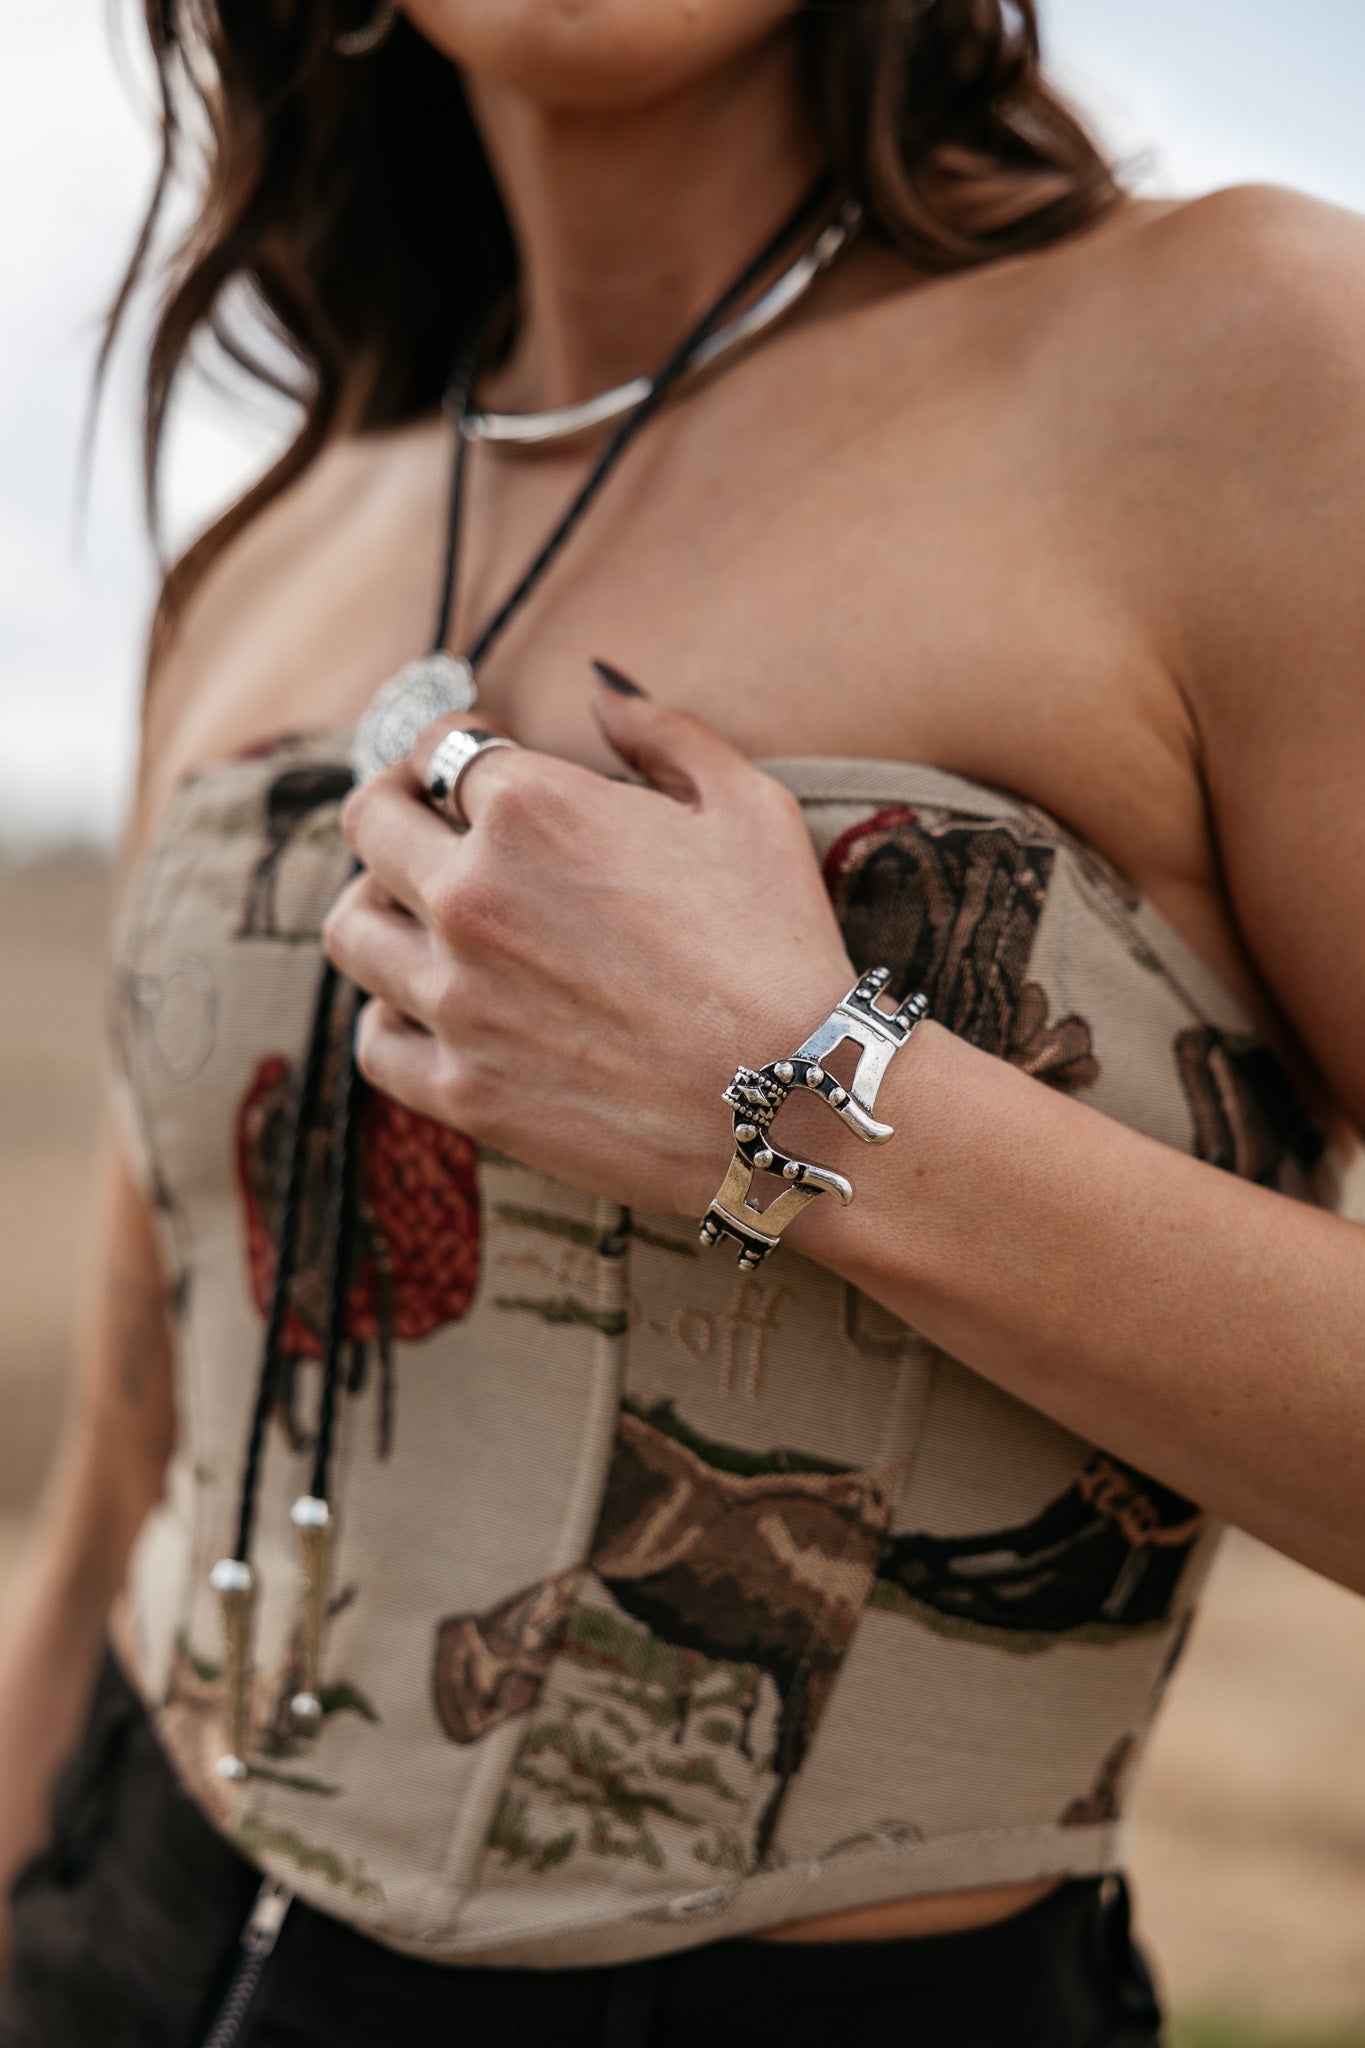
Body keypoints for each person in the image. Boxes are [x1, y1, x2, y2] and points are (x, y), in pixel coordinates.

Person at [1, 1, 1363, 2042]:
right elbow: (130, 1454)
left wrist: (805, 1097)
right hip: (108, 1934)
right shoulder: (256, 563)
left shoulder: (1247, 372)